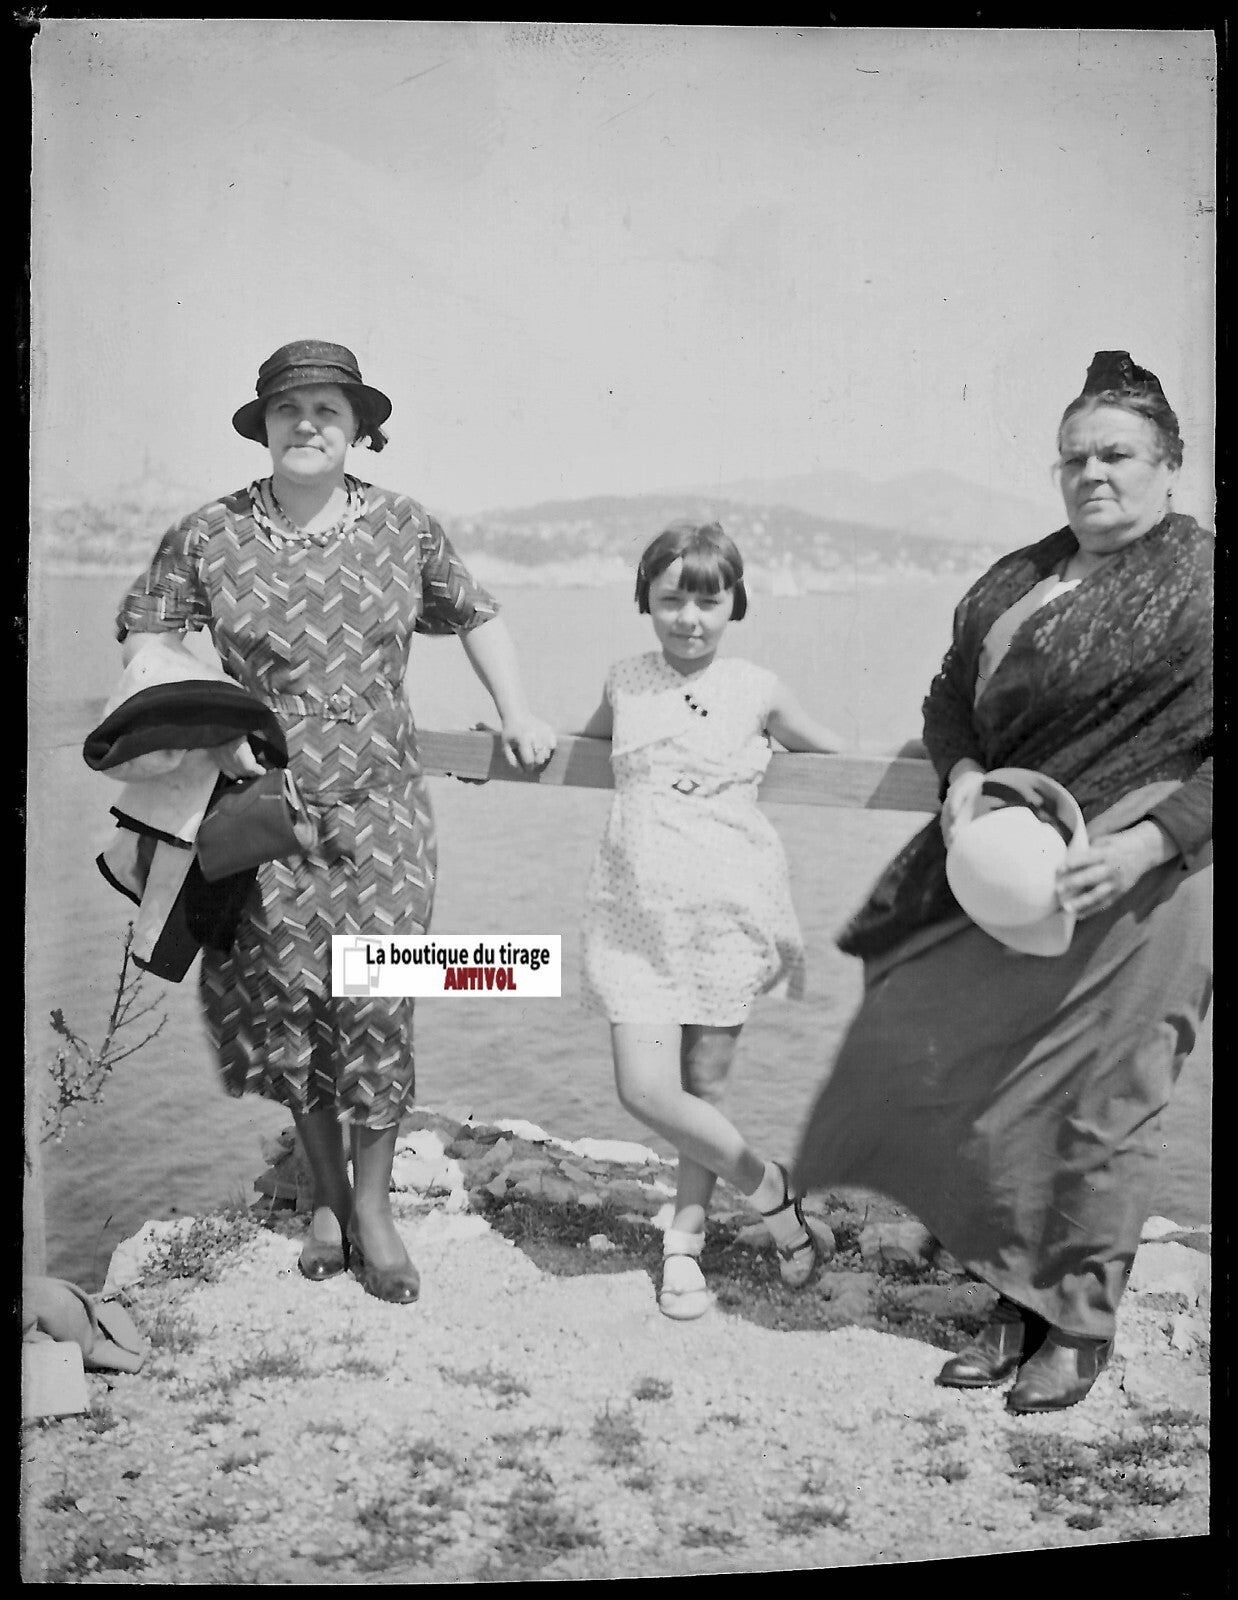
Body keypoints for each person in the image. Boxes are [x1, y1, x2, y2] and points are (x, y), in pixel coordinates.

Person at [794, 352, 1212, 1411]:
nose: (1091, 475)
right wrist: (964, 770)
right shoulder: (1015, 580)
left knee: (1106, 1103)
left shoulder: (1206, 584)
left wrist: (1149, 842)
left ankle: (1078, 1320)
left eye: (1115, 455)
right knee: (1000, 1087)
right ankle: (1009, 1297)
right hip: (1016, 874)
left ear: (1170, 465)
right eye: (1072, 459)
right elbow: (948, 695)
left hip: (1149, 881)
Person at [115, 340, 556, 1305]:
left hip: (383, 809)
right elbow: (146, 632)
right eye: (289, 409)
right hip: (266, 813)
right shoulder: (211, 534)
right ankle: (323, 1198)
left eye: (327, 409)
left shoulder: (404, 527)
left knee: (377, 1000)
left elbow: (477, 615)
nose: (306, 424)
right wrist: (209, 721)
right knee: (289, 1002)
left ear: (359, 428)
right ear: (264, 427)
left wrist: (518, 710)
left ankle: (374, 1209)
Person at [579, 520, 843, 1320]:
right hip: (634, 915)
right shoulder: (625, 680)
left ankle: (684, 1246)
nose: (689, 618)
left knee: (703, 1087)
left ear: (734, 603)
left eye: (708, 601)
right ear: (646, 601)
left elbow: (841, 757)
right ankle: (772, 1192)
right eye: (671, 600)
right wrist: (504, 743)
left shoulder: (759, 688)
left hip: (730, 911)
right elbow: (576, 749)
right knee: (644, 1089)